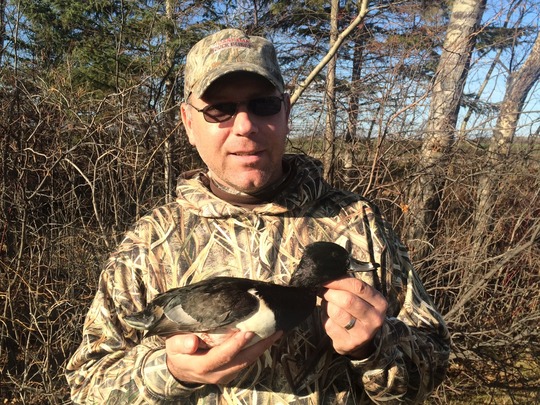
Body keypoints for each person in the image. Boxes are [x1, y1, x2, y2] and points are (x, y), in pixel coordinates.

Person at [66, 28, 450, 404]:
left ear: (286, 109)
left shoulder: (358, 223)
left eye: (262, 104)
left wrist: (374, 350)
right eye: (219, 109)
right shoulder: (149, 243)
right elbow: (87, 386)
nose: (245, 126)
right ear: (188, 123)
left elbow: (430, 368)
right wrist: (169, 373)